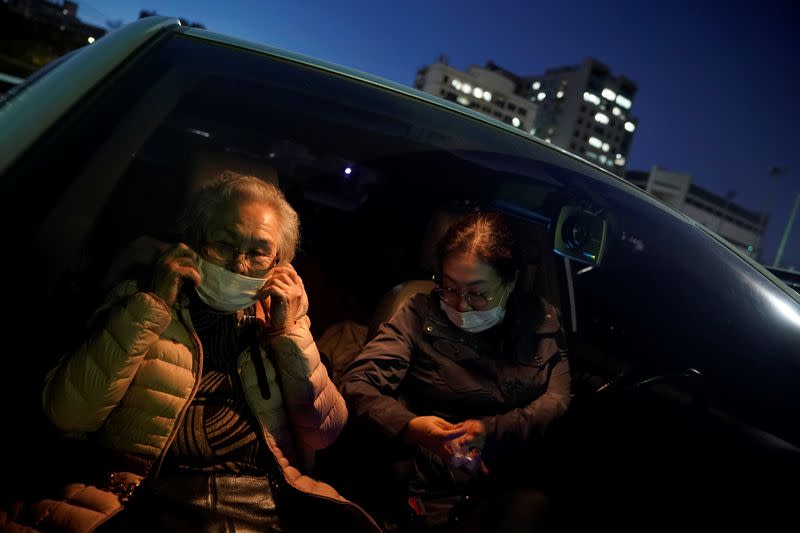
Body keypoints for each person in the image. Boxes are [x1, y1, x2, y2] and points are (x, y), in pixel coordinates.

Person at [2, 171, 380, 532]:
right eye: (224, 244)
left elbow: (324, 433)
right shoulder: (141, 300)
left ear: (279, 264)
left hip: (263, 496)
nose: (239, 263)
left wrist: (289, 331)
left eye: (259, 252)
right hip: (145, 498)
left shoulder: (280, 321)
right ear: (195, 243)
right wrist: (152, 304)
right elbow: (67, 413)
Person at [337, 211, 571, 532]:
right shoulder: (417, 314)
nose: (461, 305)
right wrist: (413, 427)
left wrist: (491, 430)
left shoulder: (541, 322)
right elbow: (356, 383)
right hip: (431, 484)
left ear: (510, 282)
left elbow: (557, 401)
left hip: (509, 483)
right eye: (449, 287)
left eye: (477, 293)